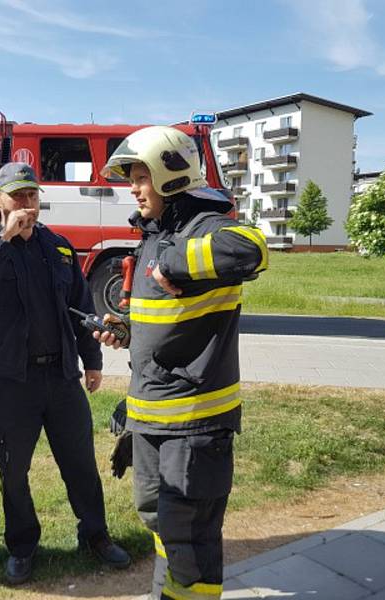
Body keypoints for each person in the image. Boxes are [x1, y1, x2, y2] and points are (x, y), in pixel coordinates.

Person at [95, 126, 268, 600]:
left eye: (139, 177)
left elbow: (252, 248)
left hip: (194, 427)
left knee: (190, 541)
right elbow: (166, 319)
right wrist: (126, 331)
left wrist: (178, 262)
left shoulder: (204, 227)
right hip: (152, 417)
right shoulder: (156, 234)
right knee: (160, 521)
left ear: (170, 175)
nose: (132, 187)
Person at [0, 162, 131, 585]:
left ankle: (95, 535)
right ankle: (21, 546)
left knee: (80, 464)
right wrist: (5, 238)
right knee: (13, 469)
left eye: (32, 196)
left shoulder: (58, 248)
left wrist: (91, 361)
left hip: (61, 378)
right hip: (12, 381)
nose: (26, 204)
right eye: (17, 196)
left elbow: (80, 307)